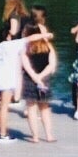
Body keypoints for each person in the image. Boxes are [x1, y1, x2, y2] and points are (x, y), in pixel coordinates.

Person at [0, 21, 27, 143]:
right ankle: (3, 134)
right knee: (4, 107)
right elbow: (30, 38)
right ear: (7, 36)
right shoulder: (12, 45)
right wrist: (46, 35)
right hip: (6, 79)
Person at [21, 9, 57, 143]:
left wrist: (35, 77)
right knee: (44, 108)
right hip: (45, 79)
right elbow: (52, 64)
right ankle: (49, 135)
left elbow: (26, 66)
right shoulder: (47, 46)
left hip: (30, 79)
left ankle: (35, 136)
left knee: (31, 108)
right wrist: (41, 77)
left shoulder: (25, 47)